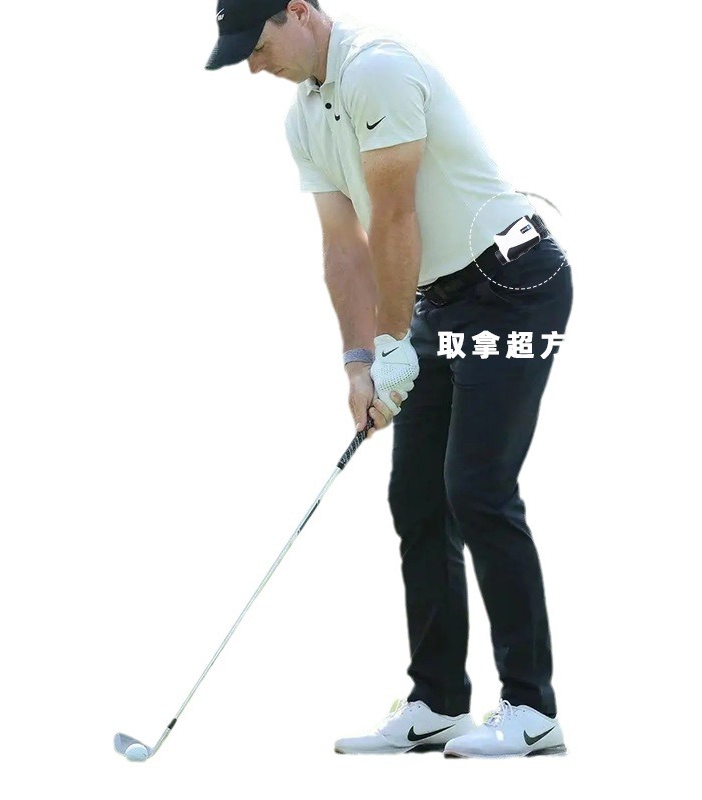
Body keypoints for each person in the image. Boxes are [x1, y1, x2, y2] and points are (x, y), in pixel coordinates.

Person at [205, 0, 573, 758]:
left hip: (513, 283)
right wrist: (359, 363)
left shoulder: (377, 67)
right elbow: (344, 248)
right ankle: (437, 701)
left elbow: (396, 217)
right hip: (438, 295)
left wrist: (394, 340)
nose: (252, 65)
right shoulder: (304, 118)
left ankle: (533, 709)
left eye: (256, 44)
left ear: (298, 11)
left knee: (477, 487)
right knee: (416, 495)